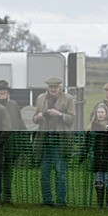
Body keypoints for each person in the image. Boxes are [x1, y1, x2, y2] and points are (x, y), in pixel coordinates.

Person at [32, 76, 75, 207]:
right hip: (44, 141)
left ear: (60, 87)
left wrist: (60, 115)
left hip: (60, 141)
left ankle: (61, 201)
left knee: (60, 172)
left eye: (55, 87)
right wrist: (38, 117)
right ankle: (47, 201)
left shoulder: (68, 99)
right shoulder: (40, 98)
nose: (53, 90)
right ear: (47, 87)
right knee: (44, 173)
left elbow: (72, 119)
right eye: (51, 87)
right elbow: (34, 119)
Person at [0, 79, 25, 204]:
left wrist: (23, 141)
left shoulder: (14, 105)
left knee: (8, 170)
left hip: (11, 143)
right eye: (0, 91)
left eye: (5, 90)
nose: (3, 93)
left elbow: (20, 124)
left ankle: (7, 195)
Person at [87, 104, 108, 209]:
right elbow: (87, 141)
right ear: (95, 114)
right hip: (97, 157)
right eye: (98, 112)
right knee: (99, 181)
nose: (100, 114)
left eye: (102, 112)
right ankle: (99, 204)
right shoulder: (92, 126)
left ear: (106, 113)